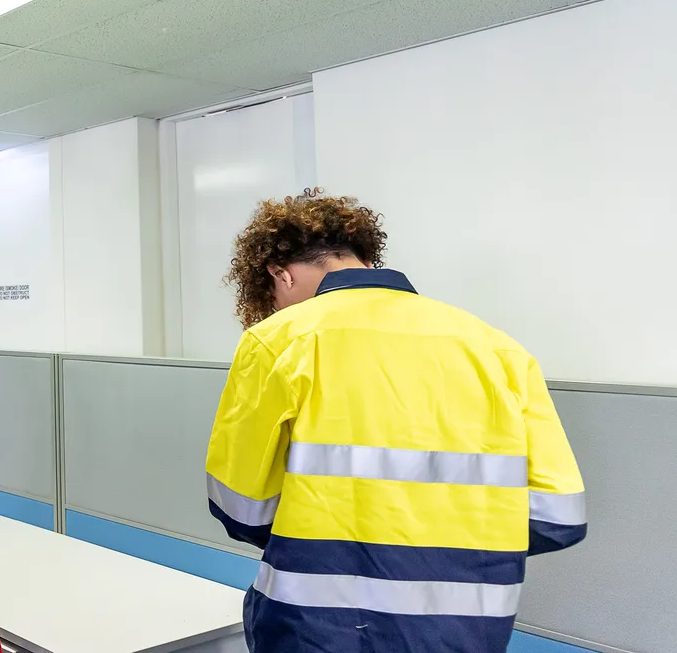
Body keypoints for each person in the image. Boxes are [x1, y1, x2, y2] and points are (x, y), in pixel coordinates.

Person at [205, 190, 586, 653]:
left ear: (279, 274)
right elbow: (556, 517)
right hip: (465, 630)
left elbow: (242, 509)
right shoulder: (496, 347)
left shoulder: (278, 341)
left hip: (316, 627)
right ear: (364, 257)